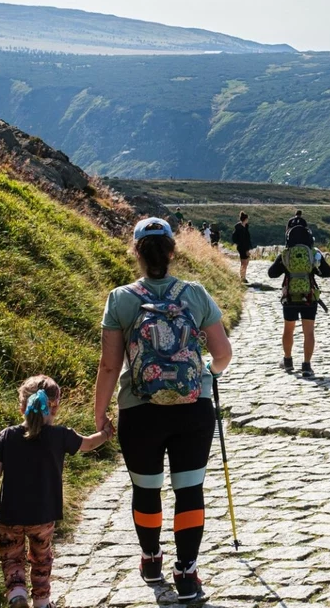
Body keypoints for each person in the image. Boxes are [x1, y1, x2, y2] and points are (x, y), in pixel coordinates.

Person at [92, 217, 234, 602]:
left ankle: (152, 559)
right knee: (189, 490)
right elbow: (222, 354)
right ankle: (187, 573)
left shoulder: (121, 299)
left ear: (135, 252)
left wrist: (99, 411)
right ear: (173, 251)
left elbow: (109, 365)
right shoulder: (196, 294)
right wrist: (207, 372)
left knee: (147, 488)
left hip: (140, 411)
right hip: (193, 408)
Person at [0, 375, 114, 608]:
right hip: (43, 515)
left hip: (9, 515)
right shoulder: (61, 435)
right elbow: (89, 443)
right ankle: (41, 602)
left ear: (21, 406)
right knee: (41, 559)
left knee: (11, 557)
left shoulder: (7, 436)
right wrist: (107, 433)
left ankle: (17, 593)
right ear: (56, 407)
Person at [267, 222, 330, 378]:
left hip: (289, 296)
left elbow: (272, 273)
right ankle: (306, 365)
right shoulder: (313, 253)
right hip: (309, 297)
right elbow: (327, 272)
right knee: (308, 332)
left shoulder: (285, 254)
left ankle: (288, 360)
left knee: (288, 329)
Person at [231, 211, 252, 283]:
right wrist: (239, 244)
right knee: (243, 262)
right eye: (247, 219)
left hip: (246, 247)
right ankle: (242, 278)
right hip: (242, 247)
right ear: (245, 219)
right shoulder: (239, 228)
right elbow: (235, 238)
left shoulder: (245, 227)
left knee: (246, 262)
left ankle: (244, 276)